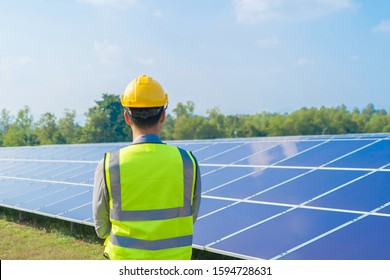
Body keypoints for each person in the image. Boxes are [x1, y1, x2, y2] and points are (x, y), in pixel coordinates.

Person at [92, 74, 201, 260]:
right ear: (163, 115)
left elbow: (101, 229)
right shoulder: (187, 161)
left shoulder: (110, 164)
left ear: (127, 117)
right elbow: (191, 217)